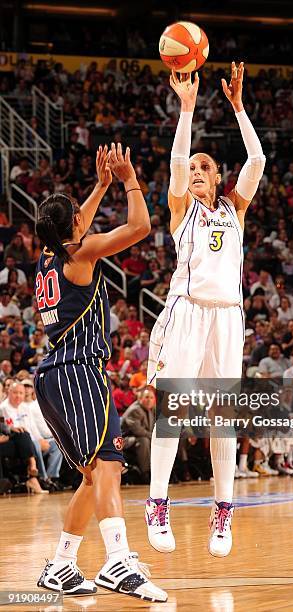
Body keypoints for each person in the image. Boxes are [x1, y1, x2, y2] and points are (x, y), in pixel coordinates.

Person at [33, 145, 167, 601]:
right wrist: (128, 179)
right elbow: (140, 227)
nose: (83, 217)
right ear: (72, 226)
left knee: (92, 475)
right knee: (109, 464)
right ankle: (116, 562)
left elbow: (76, 224)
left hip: (52, 375)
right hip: (76, 371)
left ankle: (61, 566)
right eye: (78, 213)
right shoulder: (82, 253)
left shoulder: (49, 259)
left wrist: (100, 185)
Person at [145, 62, 265, 558]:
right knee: (172, 409)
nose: (194, 172)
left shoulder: (234, 208)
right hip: (187, 310)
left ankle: (223, 511)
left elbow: (256, 159)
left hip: (228, 317)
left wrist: (238, 107)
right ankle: (157, 503)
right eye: (191, 169)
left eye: (203, 168)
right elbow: (174, 162)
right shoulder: (181, 210)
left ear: (218, 178)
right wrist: (187, 109)